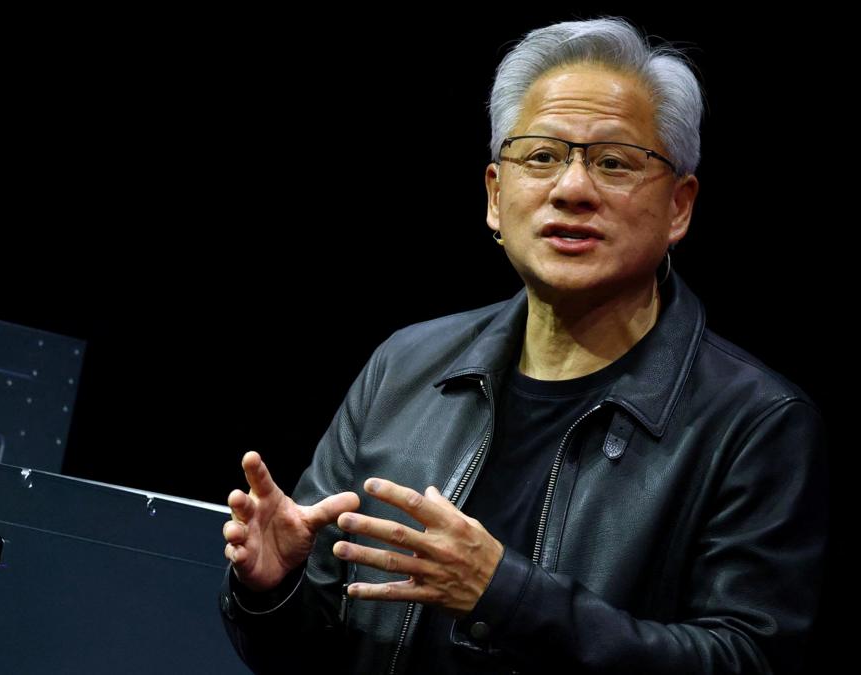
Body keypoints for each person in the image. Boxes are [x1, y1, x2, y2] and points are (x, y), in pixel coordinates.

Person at [216, 16, 829, 675]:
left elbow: (747, 660)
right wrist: (273, 590)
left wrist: (506, 595)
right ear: (495, 195)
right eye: (541, 157)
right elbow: (308, 652)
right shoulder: (405, 368)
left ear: (679, 206)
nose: (571, 189)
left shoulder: (756, 424)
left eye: (614, 162)